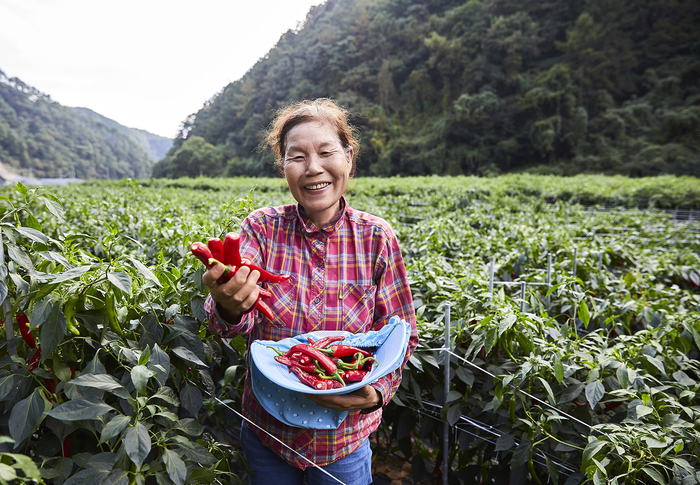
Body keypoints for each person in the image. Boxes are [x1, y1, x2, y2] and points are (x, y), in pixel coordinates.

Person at [202, 98, 418, 485]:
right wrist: (229, 305)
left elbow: (401, 331)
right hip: (269, 432)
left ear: (348, 158)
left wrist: (376, 393)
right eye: (296, 156)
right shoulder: (262, 229)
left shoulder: (376, 238)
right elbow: (231, 324)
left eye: (325, 152)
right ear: (283, 166)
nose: (313, 168)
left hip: (345, 439)